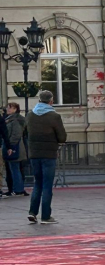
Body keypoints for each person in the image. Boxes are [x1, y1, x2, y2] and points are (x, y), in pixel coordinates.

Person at [25, 90, 67, 224]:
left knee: (37, 183)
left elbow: (25, 133)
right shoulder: (54, 116)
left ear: (39, 100)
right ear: (51, 101)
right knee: (47, 186)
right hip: (49, 154)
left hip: (34, 154)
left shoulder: (30, 115)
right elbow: (62, 137)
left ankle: (32, 212)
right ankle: (46, 216)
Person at [4, 102, 27, 197]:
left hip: (15, 147)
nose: (7, 109)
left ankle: (18, 189)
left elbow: (16, 134)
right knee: (13, 169)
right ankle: (16, 189)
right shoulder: (9, 119)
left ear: (15, 109)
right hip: (13, 147)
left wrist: (10, 146)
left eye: (10, 108)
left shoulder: (15, 120)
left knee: (15, 168)